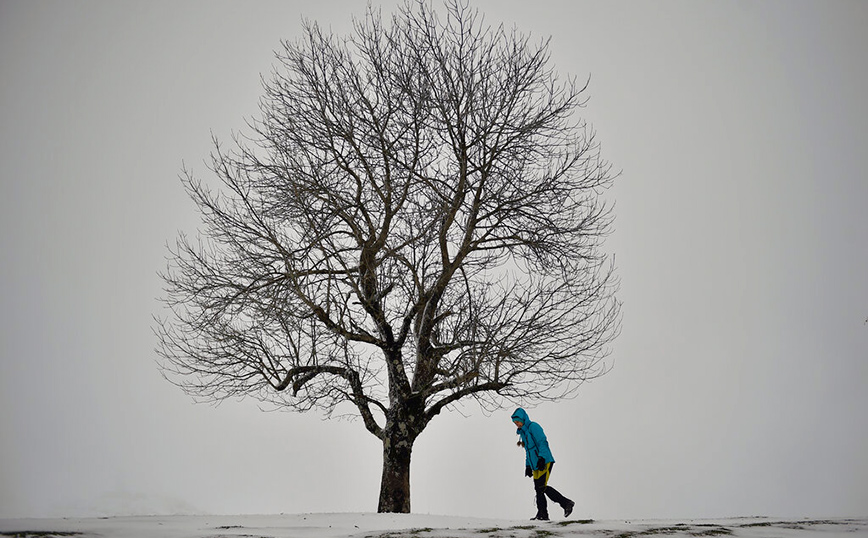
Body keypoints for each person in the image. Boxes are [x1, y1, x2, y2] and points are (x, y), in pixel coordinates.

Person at [511, 408, 575, 521]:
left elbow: (542, 442)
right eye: (515, 423)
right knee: (538, 489)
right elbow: (528, 452)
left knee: (541, 487)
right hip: (535, 464)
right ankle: (542, 514)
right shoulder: (523, 433)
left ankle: (566, 503)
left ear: (523, 419)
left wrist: (542, 458)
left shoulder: (533, 427)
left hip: (544, 461)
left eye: (518, 422)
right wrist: (528, 466)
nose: (517, 424)